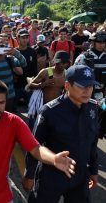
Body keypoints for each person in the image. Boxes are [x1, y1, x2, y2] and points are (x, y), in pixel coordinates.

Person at [24, 65, 99, 203]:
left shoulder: (92, 108)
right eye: (82, 86)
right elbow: (35, 144)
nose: (87, 90)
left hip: (80, 176)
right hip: (52, 175)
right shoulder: (49, 111)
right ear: (67, 85)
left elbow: (92, 142)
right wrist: (29, 174)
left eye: (90, 86)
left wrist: (93, 170)